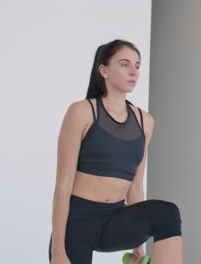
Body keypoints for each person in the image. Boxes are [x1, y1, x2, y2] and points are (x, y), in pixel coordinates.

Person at [48, 39, 183, 264]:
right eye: (124, 64)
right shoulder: (82, 112)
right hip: (77, 222)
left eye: (137, 66)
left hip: (115, 220)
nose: (134, 72)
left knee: (166, 212)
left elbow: (135, 186)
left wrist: (138, 246)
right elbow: (63, 185)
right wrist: (58, 252)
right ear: (104, 70)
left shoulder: (145, 121)